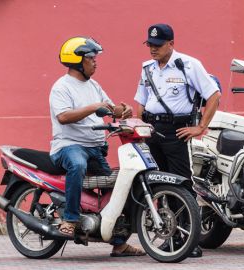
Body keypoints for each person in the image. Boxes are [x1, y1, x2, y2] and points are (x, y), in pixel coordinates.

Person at [49, 36, 145, 257]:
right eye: (91, 57)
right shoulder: (61, 87)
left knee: (120, 186)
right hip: (69, 146)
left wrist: (124, 109)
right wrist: (94, 107)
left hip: (96, 148)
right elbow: (63, 117)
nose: (95, 61)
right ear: (77, 61)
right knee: (77, 164)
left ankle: (119, 242)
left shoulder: (93, 85)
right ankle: (71, 220)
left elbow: (109, 109)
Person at [134, 24, 221, 258]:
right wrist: (140, 125)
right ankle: (171, 236)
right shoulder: (147, 68)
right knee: (158, 184)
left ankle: (189, 240)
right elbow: (141, 100)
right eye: (150, 45)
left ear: (171, 44)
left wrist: (201, 127)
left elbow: (214, 95)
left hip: (177, 131)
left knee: (181, 184)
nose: (153, 49)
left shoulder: (189, 65)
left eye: (158, 45)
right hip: (152, 130)